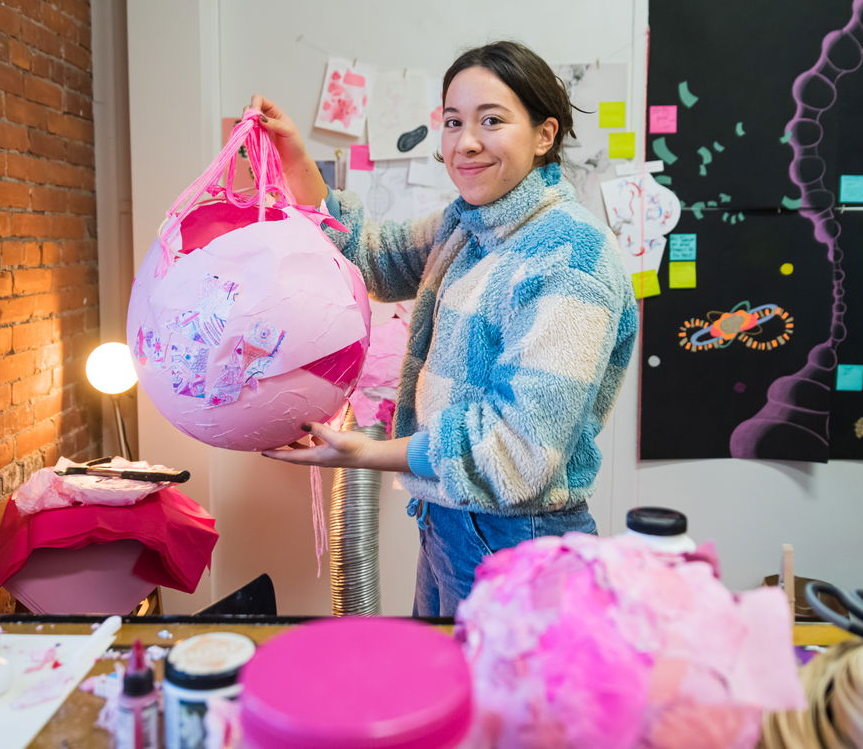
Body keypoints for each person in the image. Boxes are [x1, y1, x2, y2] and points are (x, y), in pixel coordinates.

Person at [256, 41, 637, 617]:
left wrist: (369, 454)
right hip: (450, 522)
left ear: (544, 135)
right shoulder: (466, 224)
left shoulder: (571, 255)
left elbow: (520, 450)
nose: (467, 142)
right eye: (454, 122)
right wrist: (294, 161)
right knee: (453, 698)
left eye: (492, 120)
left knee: (503, 709)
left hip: (516, 539)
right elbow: (369, 257)